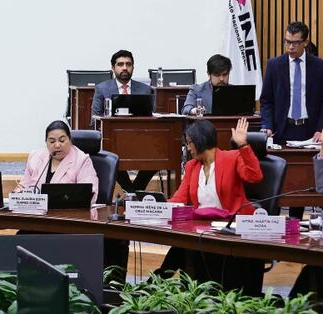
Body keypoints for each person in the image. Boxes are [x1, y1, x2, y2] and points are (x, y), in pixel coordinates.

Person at [161, 118, 264, 294]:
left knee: (181, 251)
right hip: (203, 229)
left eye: (190, 143)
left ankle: (153, 287)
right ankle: (158, 287)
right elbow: (179, 198)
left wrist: (243, 145)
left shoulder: (232, 158)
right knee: (179, 247)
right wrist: (156, 207)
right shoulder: (192, 166)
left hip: (231, 230)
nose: (188, 148)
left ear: (200, 140)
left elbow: (255, 176)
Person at [91, 50, 155, 192]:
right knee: (110, 157)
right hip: (113, 141)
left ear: (133, 67)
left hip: (140, 139)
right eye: (120, 64)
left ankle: (134, 190)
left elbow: (151, 119)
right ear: (113, 68)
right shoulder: (102, 89)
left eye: (128, 64)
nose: (125, 68)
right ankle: (133, 192)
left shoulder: (145, 89)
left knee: (158, 156)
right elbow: (95, 117)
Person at [259, 21, 323, 144]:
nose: (290, 47)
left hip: (312, 131)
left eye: (295, 43)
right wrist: (267, 125)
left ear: (305, 42)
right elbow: (266, 100)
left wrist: (320, 129)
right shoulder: (275, 65)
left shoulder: (319, 66)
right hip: (281, 130)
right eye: (287, 42)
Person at [15, 120, 98, 204]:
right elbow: (23, 187)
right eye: (52, 141)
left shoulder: (82, 160)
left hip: (66, 213)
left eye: (62, 140)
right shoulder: (35, 157)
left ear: (70, 140)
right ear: (46, 142)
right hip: (36, 212)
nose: (57, 145)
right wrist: (15, 197)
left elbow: (89, 193)